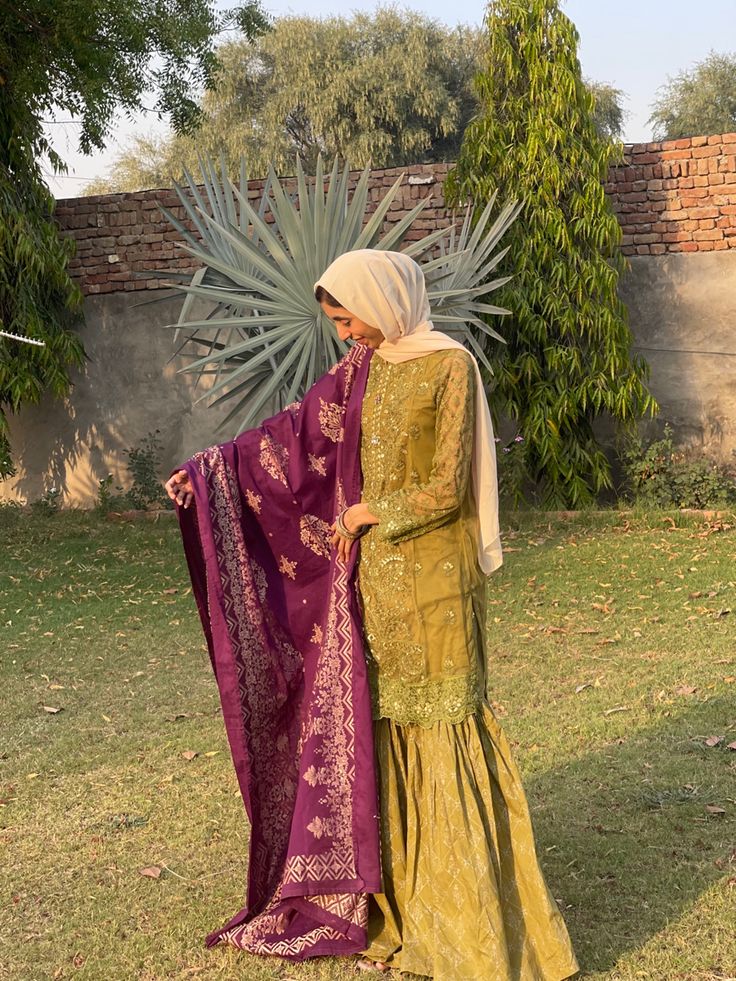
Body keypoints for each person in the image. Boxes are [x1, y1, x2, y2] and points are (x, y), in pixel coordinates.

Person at [166, 249, 579, 980]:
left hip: (437, 585)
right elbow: (292, 436)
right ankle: (400, 917)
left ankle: (471, 934)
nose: (345, 333)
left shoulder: (448, 364)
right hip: (372, 590)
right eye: (338, 322)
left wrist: (366, 510)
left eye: (349, 316)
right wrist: (206, 471)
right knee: (387, 740)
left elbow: (447, 485)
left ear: (384, 300)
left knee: (444, 731)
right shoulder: (363, 366)